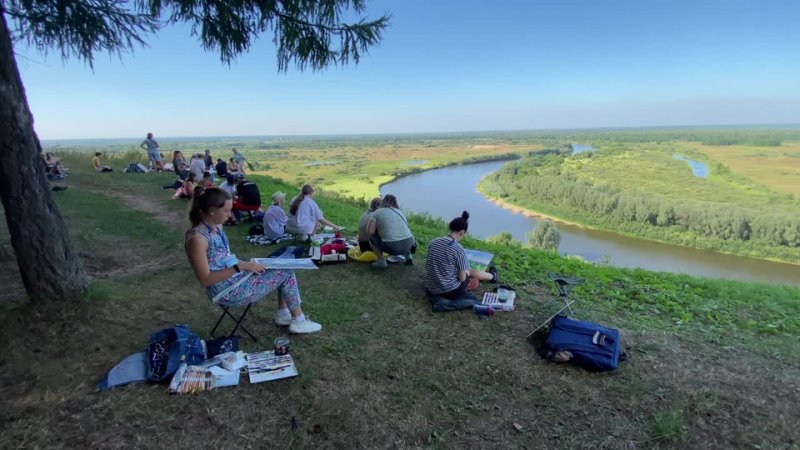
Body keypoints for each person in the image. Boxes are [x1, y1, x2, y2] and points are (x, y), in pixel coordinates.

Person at [185, 187, 321, 334]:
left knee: (282, 264)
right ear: (211, 211)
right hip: (227, 291)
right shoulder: (198, 239)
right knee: (286, 272)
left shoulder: (216, 226)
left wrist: (246, 265)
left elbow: (222, 258)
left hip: (235, 279)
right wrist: (239, 266)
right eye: (225, 211)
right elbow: (206, 279)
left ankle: (284, 314)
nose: (230, 215)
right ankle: (298, 320)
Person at [425, 211, 497, 299]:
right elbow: (462, 279)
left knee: (463, 269)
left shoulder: (434, 242)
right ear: (462, 232)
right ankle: (492, 276)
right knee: (471, 275)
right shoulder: (458, 249)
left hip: (431, 287)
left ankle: (491, 276)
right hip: (448, 291)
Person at [367, 194, 416, 268]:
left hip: (393, 247)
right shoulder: (400, 212)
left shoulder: (378, 212)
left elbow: (370, 231)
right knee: (404, 233)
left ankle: (381, 261)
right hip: (409, 244)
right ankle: (408, 257)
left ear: (383, 201)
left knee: (372, 237)